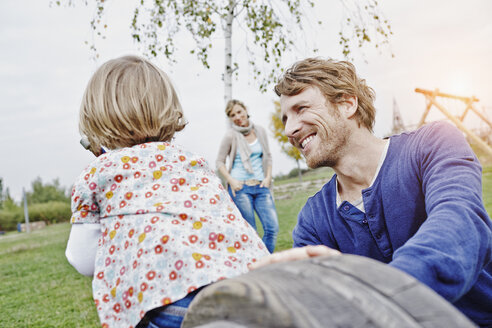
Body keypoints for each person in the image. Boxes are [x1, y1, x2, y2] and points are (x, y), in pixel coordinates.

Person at [251, 57, 492, 327]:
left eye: (301, 108)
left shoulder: (433, 144)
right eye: (285, 118)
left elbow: (461, 223)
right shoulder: (313, 219)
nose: (289, 129)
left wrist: (370, 290)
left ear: (347, 103)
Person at [65, 55, 269, 328]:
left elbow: (83, 261)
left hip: (169, 302)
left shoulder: (98, 174)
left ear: (96, 114)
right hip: (250, 285)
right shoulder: (193, 162)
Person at [216, 99, 279, 253]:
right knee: (251, 233)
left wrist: (268, 177)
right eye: (232, 115)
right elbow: (219, 162)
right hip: (241, 188)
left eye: (239, 111)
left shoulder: (260, 131)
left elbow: (268, 156)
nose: (237, 116)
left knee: (272, 228)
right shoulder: (230, 136)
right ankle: (257, 266)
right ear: (230, 119)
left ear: (245, 109)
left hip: (261, 186)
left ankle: (263, 262)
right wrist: (231, 181)